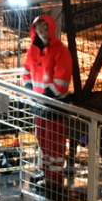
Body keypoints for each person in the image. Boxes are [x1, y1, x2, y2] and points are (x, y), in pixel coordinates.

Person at [22, 14, 73, 189]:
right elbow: (27, 71)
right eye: (39, 29)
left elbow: (62, 80)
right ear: (35, 30)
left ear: (51, 29)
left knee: (54, 141)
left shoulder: (61, 51)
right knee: (42, 139)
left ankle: (54, 178)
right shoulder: (33, 49)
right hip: (40, 103)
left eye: (45, 29)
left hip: (53, 104)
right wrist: (29, 89)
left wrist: (44, 95)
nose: (42, 32)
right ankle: (46, 172)